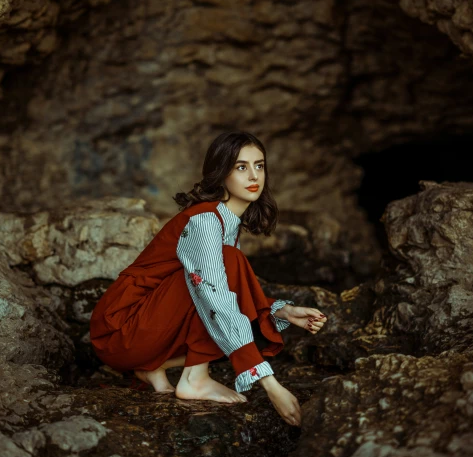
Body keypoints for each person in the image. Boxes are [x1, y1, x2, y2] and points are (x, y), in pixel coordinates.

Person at [90, 131, 327, 426]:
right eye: (241, 167)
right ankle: (195, 378)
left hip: (143, 336)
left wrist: (282, 310)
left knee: (234, 308)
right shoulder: (204, 221)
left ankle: (155, 367)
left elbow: (230, 291)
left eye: (259, 165)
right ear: (221, 173)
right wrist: (271, 385)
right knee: (224, 287)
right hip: (118, 332)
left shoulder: (227, 223)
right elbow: (215, 294)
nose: (254, 175)